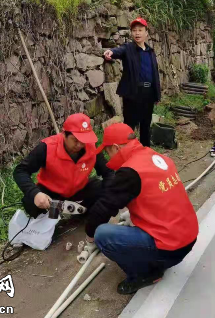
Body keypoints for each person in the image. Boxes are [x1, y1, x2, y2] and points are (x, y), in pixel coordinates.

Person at [83, 123, 198, 295]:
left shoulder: (129, 171)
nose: (108, 158)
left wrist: (90, 236)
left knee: (103, 235)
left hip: (170, 248)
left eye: (107, 152)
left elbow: (103, 208)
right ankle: (157, 259)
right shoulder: (155, 156)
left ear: (115, 148)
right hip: (188, 238)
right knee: (129, 220)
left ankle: (146, 273)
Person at [13, 113, 113, 218]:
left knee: (103, 189)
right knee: (31, 201)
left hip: (79, 192)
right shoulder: (47, 147)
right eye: (75, 140)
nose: (79, 145)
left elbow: (108, 172)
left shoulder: (91, 148)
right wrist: (35, 193)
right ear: (64, 134)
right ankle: (55, 217)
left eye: (83, 141)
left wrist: (108, 197)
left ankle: (81, 213)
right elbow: (20, 171)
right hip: (52, 197)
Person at [103, 17, 161, 147]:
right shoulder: (128, 48)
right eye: (134, 30)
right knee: (129, 126)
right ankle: (128, 152)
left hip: (148, 94)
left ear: (146, 33)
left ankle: (145, 152)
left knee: (146, 126)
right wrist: (111, 52)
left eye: (140, 30)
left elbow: (155, 74)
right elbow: (118, 51)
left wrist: (156, 94)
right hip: (133, 93)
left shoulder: (150, 52)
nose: (137, 33)